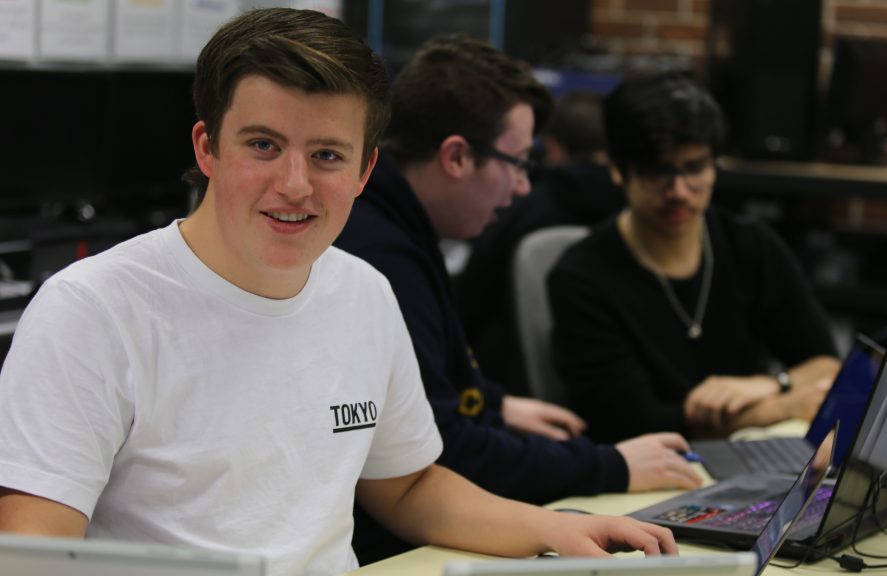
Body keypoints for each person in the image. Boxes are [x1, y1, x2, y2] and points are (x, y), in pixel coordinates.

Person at [0, 10, 680, 576]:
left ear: (364, 169)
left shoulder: (364, 292)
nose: (296, 183)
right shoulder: (90, 311)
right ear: (207, 147)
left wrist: (561, 530)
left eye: (327, 155)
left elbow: (408, 485)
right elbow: (34, 555)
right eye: (263, 145)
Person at [334, 35, 703, 563]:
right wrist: (607, 466)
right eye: (519, 162)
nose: (525, 187)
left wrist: (494, 403)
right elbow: (445, 450)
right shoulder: (380, 258)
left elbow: (431, 388)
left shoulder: (404, 229)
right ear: (457, 156)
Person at [547, 72, 841, 444]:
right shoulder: (581, 277)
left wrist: (767, 383)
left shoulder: (750, 245)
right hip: (642, 469)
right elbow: (634, 422)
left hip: (744, 458)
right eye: (659, 172)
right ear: (619, 172)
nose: (679, 192)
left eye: (695, 168)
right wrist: (778, 407)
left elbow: (825, 363)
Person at [456, 91, 625, 395]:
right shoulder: (637, 211)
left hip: (514, 385)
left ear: (552, 147)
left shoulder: (522, 205)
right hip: (615, 387)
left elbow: (471, 300)